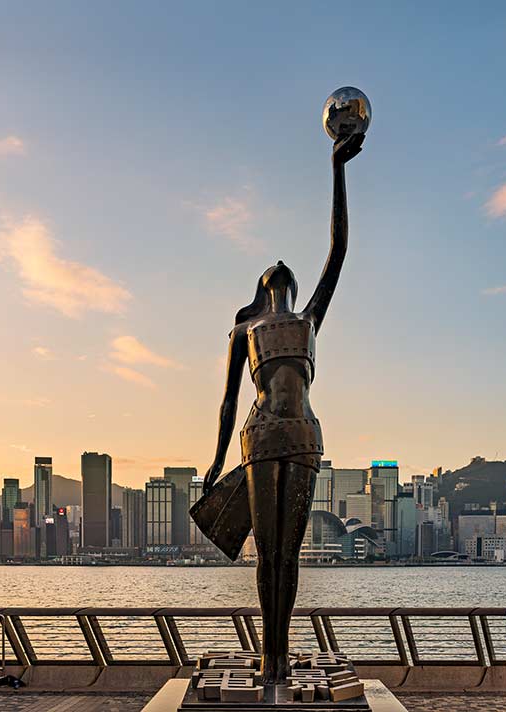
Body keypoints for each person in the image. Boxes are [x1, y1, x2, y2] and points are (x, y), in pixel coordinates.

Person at [201, 130, 364, 684]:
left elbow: (338, 252)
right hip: (260, 437)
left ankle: (279, 651)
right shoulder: (243, 330)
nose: (278, 266)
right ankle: (270, 653)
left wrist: (337, 168)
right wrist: (217, 461)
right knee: (266, 553)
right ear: (265, 285)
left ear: (289, 285)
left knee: (288, 554)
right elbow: (228, 400)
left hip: (301, 436)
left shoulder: (309, 318)